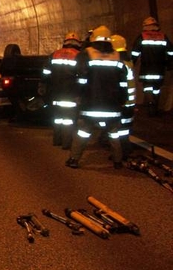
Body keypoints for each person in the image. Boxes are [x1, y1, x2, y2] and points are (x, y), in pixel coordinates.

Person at [66, 26, 128, 169]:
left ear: (93, 38)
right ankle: (118, 161)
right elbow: (123, 82)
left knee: (83, 132)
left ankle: (74, 159)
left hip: (90, 104)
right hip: (112, 105)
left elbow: (80, 78)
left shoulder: (86, 54)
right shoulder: (117, 56)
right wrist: (122, 100)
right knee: (114, 134)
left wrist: (78, 96)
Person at [42, 32, 82, 150]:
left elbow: (46, 72)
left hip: (55, 93)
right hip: (71, 94)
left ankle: (57, 140)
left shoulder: (55, 54)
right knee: (68, 120)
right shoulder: (79, 56)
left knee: (57, 118)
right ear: (78, 43)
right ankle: (66, 143)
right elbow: (82, 76)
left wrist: (45, 85)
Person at [130, 16, 173, 116]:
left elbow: (135, 52)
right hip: (159, 69)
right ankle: (154, 107)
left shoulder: (142, 36)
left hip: (147, 68)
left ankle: (150, 103)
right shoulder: (163, 36)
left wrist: (132, 63)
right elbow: (171, 51)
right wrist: (170, 63)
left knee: (147, 87)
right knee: (157, 89)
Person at [111, 34, 136, 161]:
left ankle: (123, 152)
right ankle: (125, 150)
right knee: (125, 128)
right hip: (131, 101)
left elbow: (120, 84)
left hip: (123, 101)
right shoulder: (128, 60)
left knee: (119, 129)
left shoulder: (118, 63)